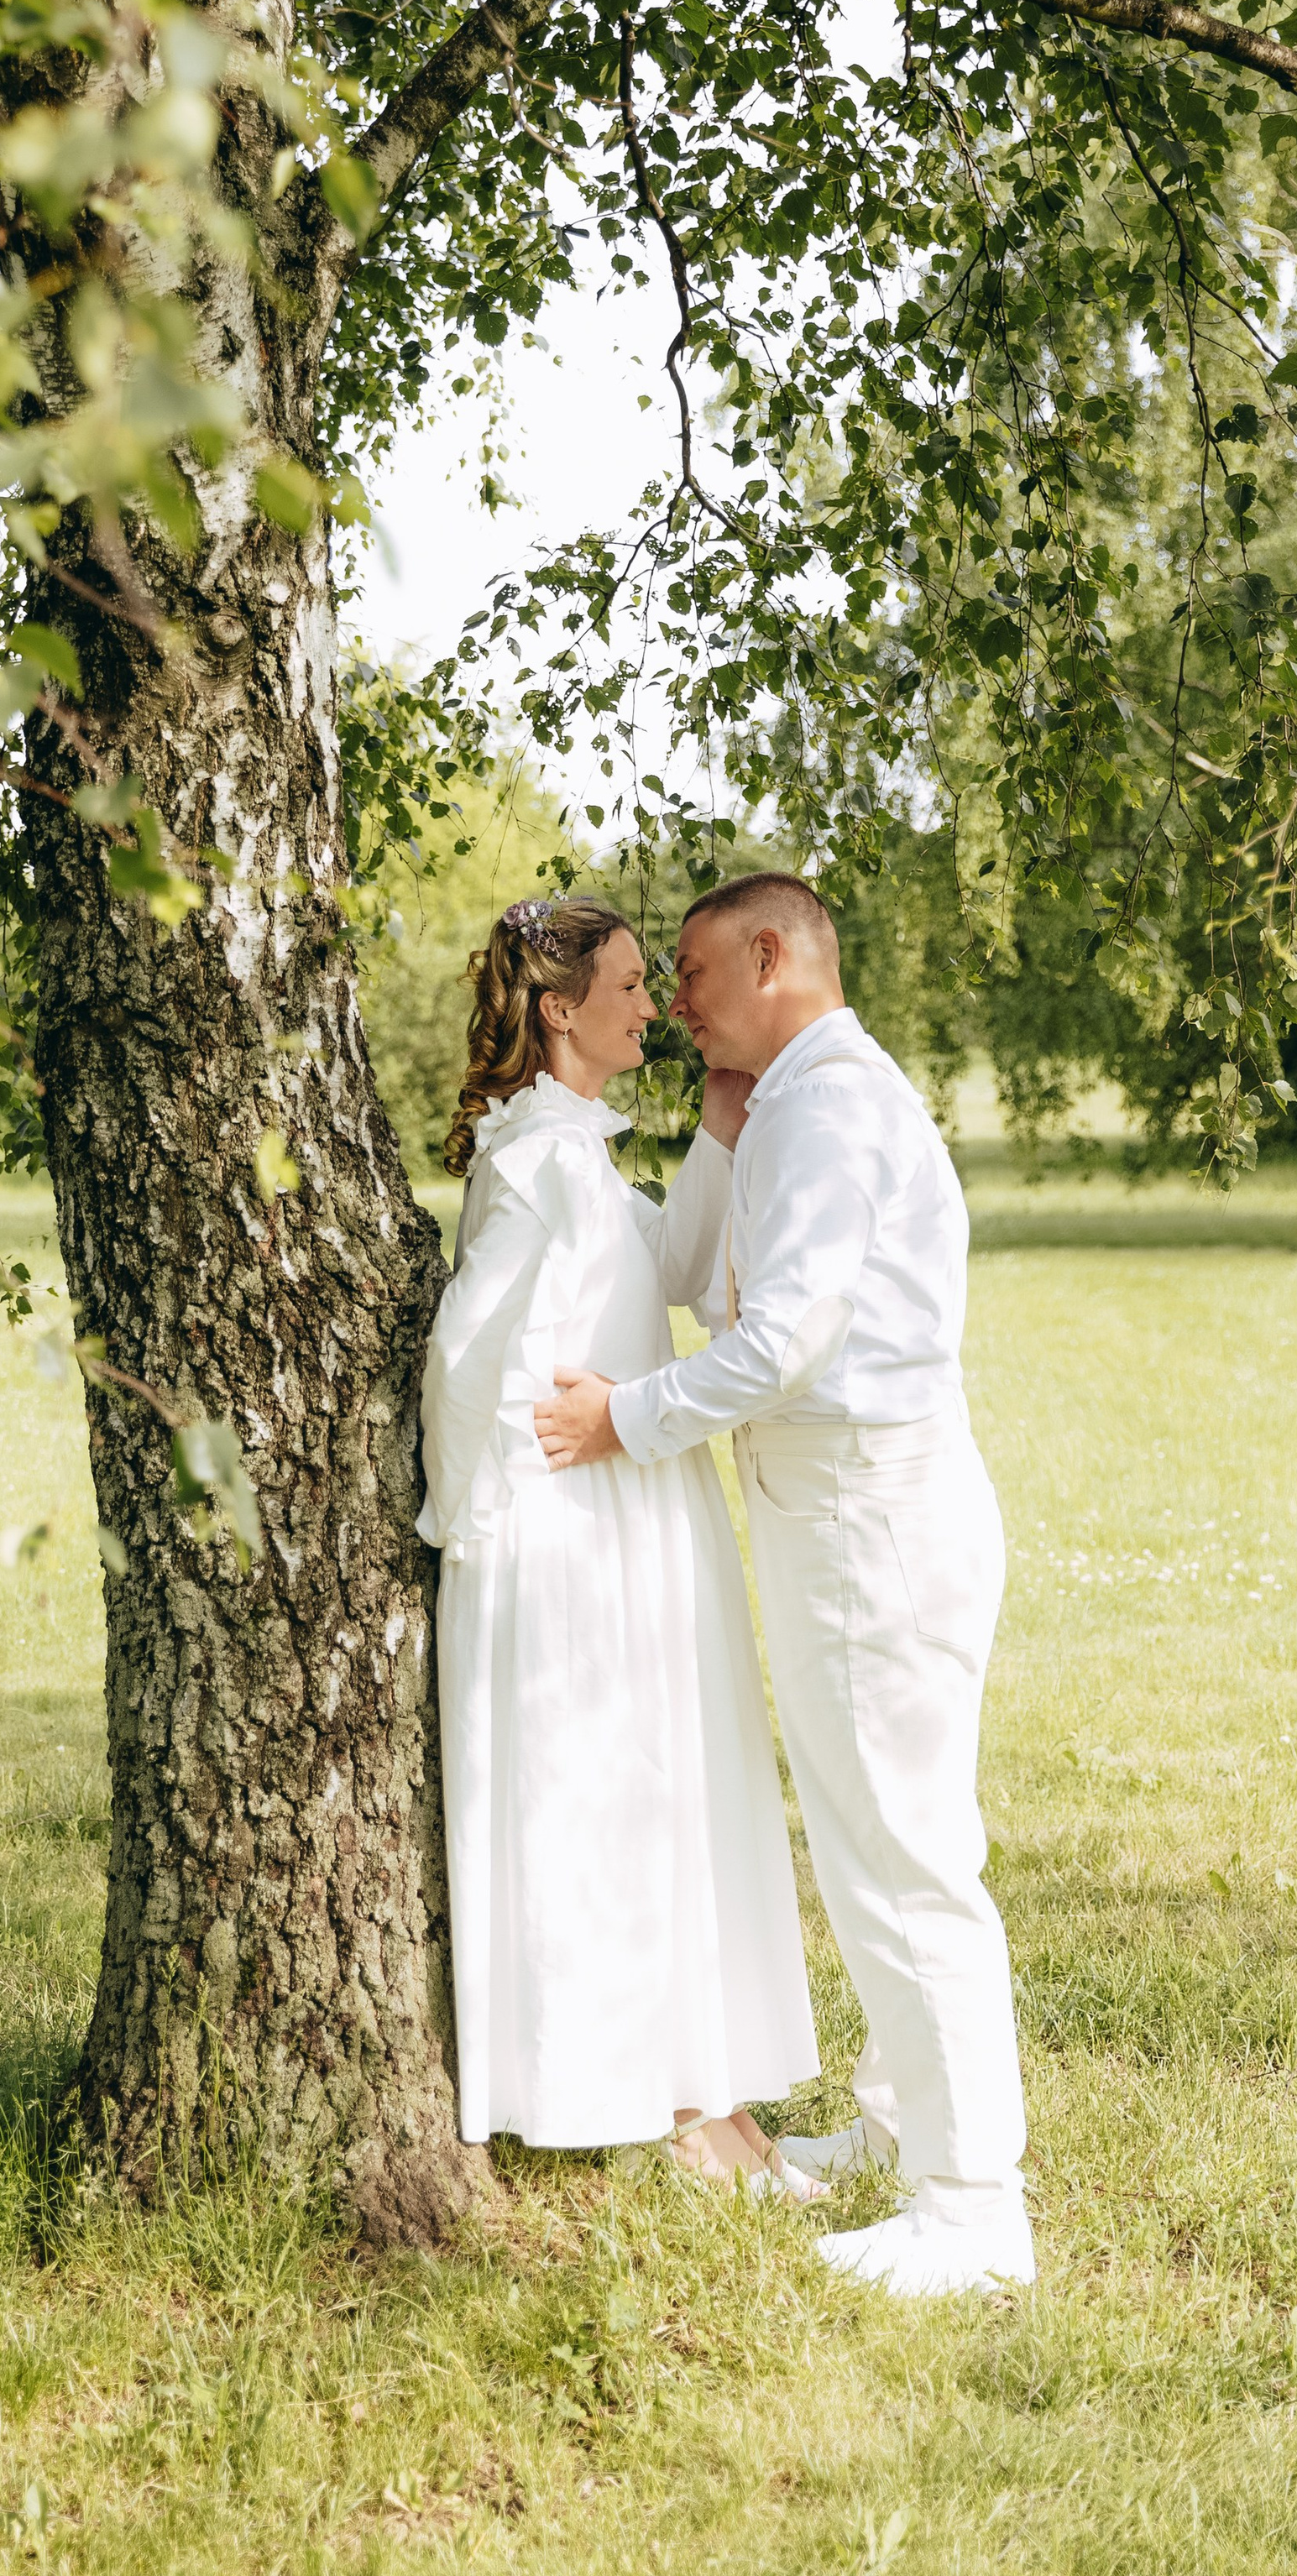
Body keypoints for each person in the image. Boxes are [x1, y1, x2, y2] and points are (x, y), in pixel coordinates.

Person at [534, 872, 1034, 2299]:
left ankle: (973, 2216)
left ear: (771, 954)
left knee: (905, 1862)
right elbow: (689, 1264)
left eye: (691, 972)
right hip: (852, 1510)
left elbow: (781, 1346)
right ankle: (899, 2137)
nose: (676, 1002)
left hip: (867, 1519)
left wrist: (620, 1418)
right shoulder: (785, 1101)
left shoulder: (828, 1106)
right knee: (888, 1837)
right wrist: (711, 1122)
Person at [421, 896, 821, 2186]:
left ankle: (709, 2090)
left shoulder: (575, 1148)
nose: (655, 1004)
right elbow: (467, 1353)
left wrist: (717, 1127)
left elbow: (673, 1269)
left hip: (632, 1499)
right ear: (559, 1008)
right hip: (573, 1522)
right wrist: (470, 1510)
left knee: (667, 1791)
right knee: (606, 1794)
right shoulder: (534, 1156)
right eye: (635, 984)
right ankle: (656, 2098)